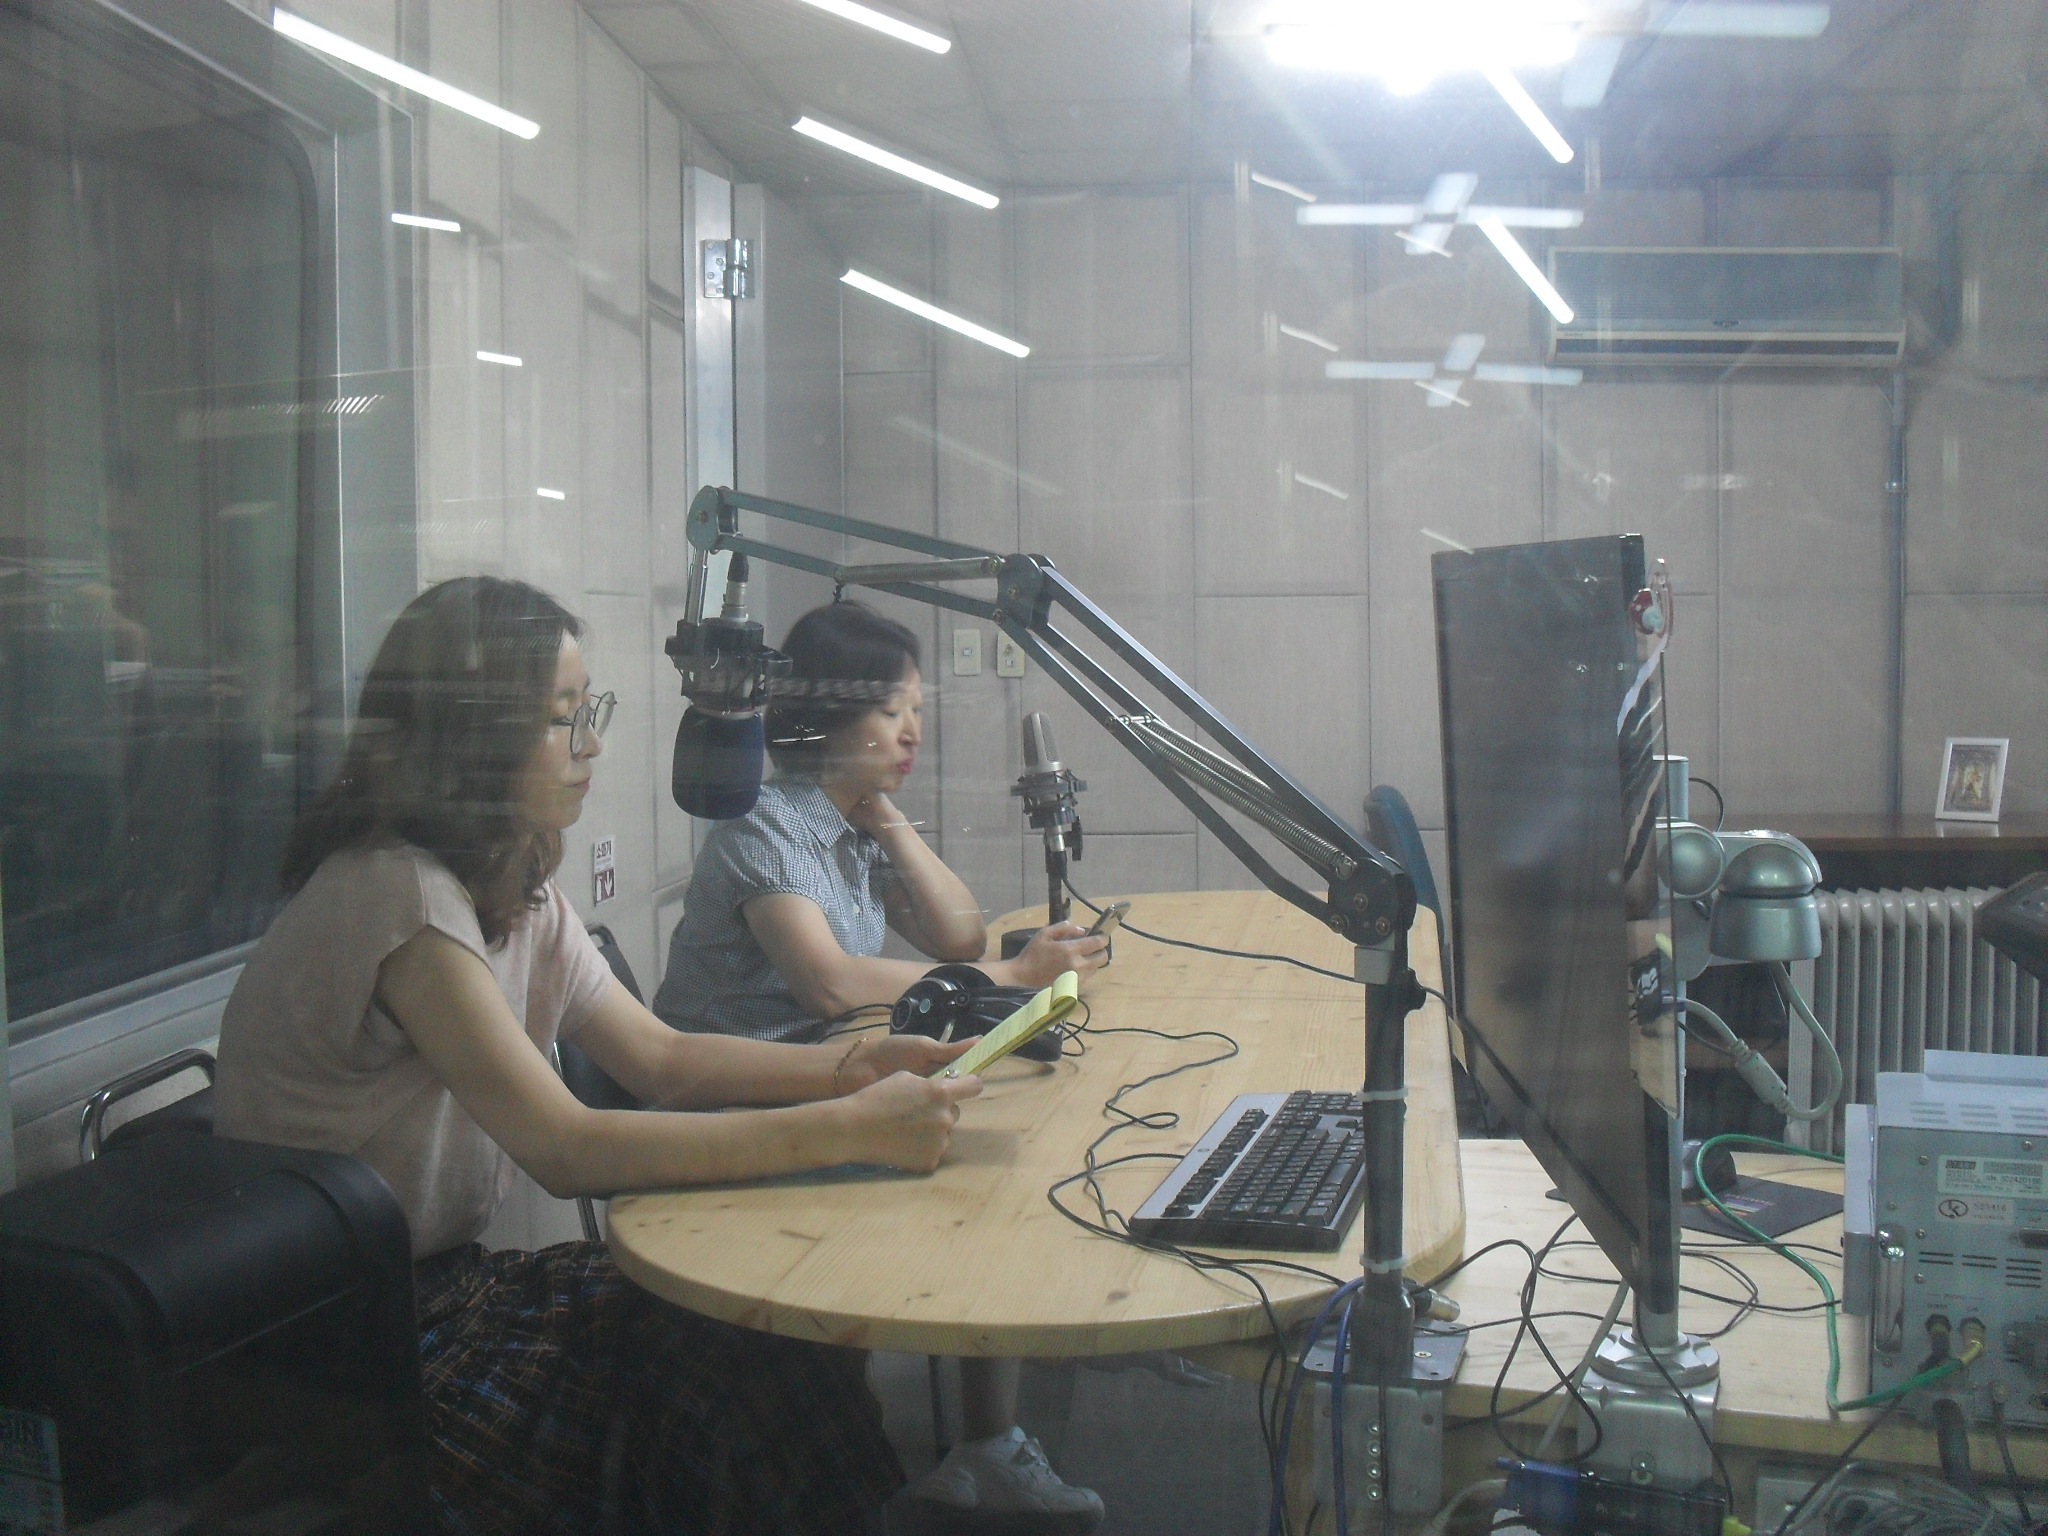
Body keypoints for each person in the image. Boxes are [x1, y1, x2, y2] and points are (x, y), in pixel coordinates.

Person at [214, 577, 981, 1534]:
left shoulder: (516, 884)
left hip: (449, 1284)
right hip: (354, 1344)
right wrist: (844, 1127)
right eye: (561, 718)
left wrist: (849, 1071)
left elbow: (660, 1058)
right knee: (723, 1379)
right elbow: (566, 1149)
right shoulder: (399, 894)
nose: (593, 745)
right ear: (473, 735)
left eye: (591, 710)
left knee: (776, 1330)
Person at [653, 600, 1111, 1535]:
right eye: (893, 710)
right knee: (979, 1173)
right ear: (830, 715)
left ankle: (982, 1449)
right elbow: (828, 982)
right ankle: (895, 1451)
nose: (912, 732)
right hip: (738, 1103)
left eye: (917, 712)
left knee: (992, 1151)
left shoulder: (848, 826)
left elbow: (957, 934)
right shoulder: (761, 830)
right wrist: (1012, 978)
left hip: (830, 1077)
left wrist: (892, 822)